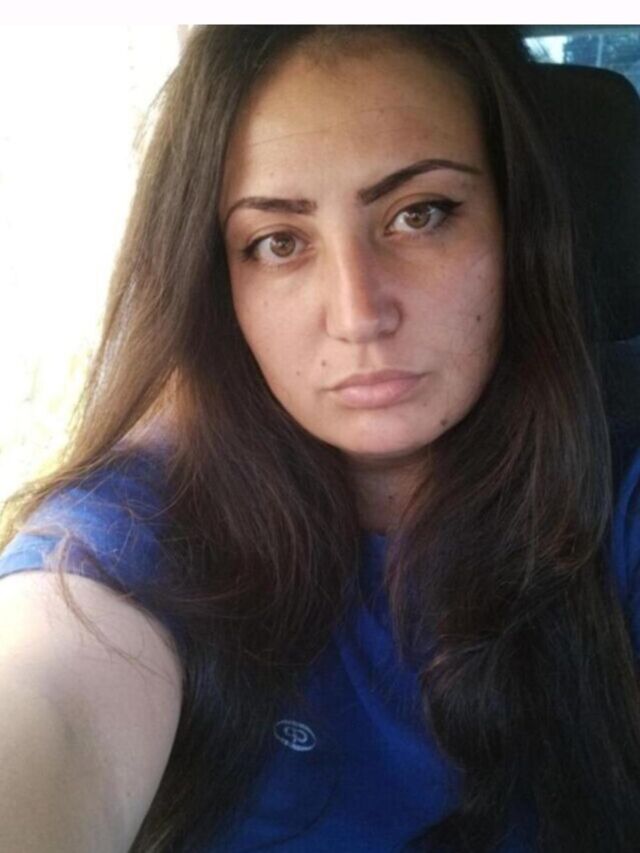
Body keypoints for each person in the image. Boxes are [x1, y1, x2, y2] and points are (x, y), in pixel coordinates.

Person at [1, 24, 640, 853]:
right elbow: (49, 704)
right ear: (216, 282)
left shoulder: (613, 478)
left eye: (420, 214)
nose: (359, 313)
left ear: (517, 228)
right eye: (278, 242)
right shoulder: (139, 529)